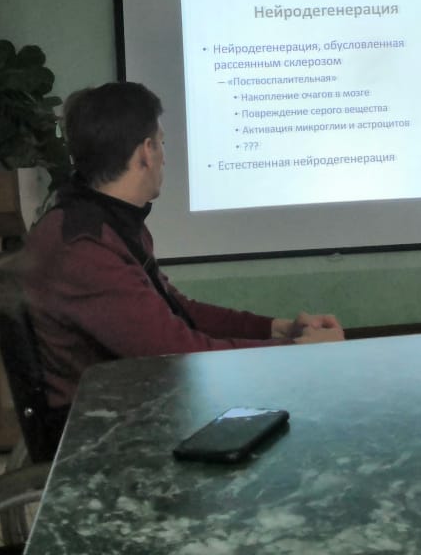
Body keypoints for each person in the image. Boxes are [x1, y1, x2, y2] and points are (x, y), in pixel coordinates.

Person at [22, 81, 344, 422]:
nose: (164, 156)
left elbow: (177, 311)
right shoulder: (84, 247)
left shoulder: (103, 223)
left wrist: (278, 330)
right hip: (106, 427)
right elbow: (179, 355)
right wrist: (296, 354)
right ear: (146, 152)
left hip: (131, 405)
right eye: (161, 143)